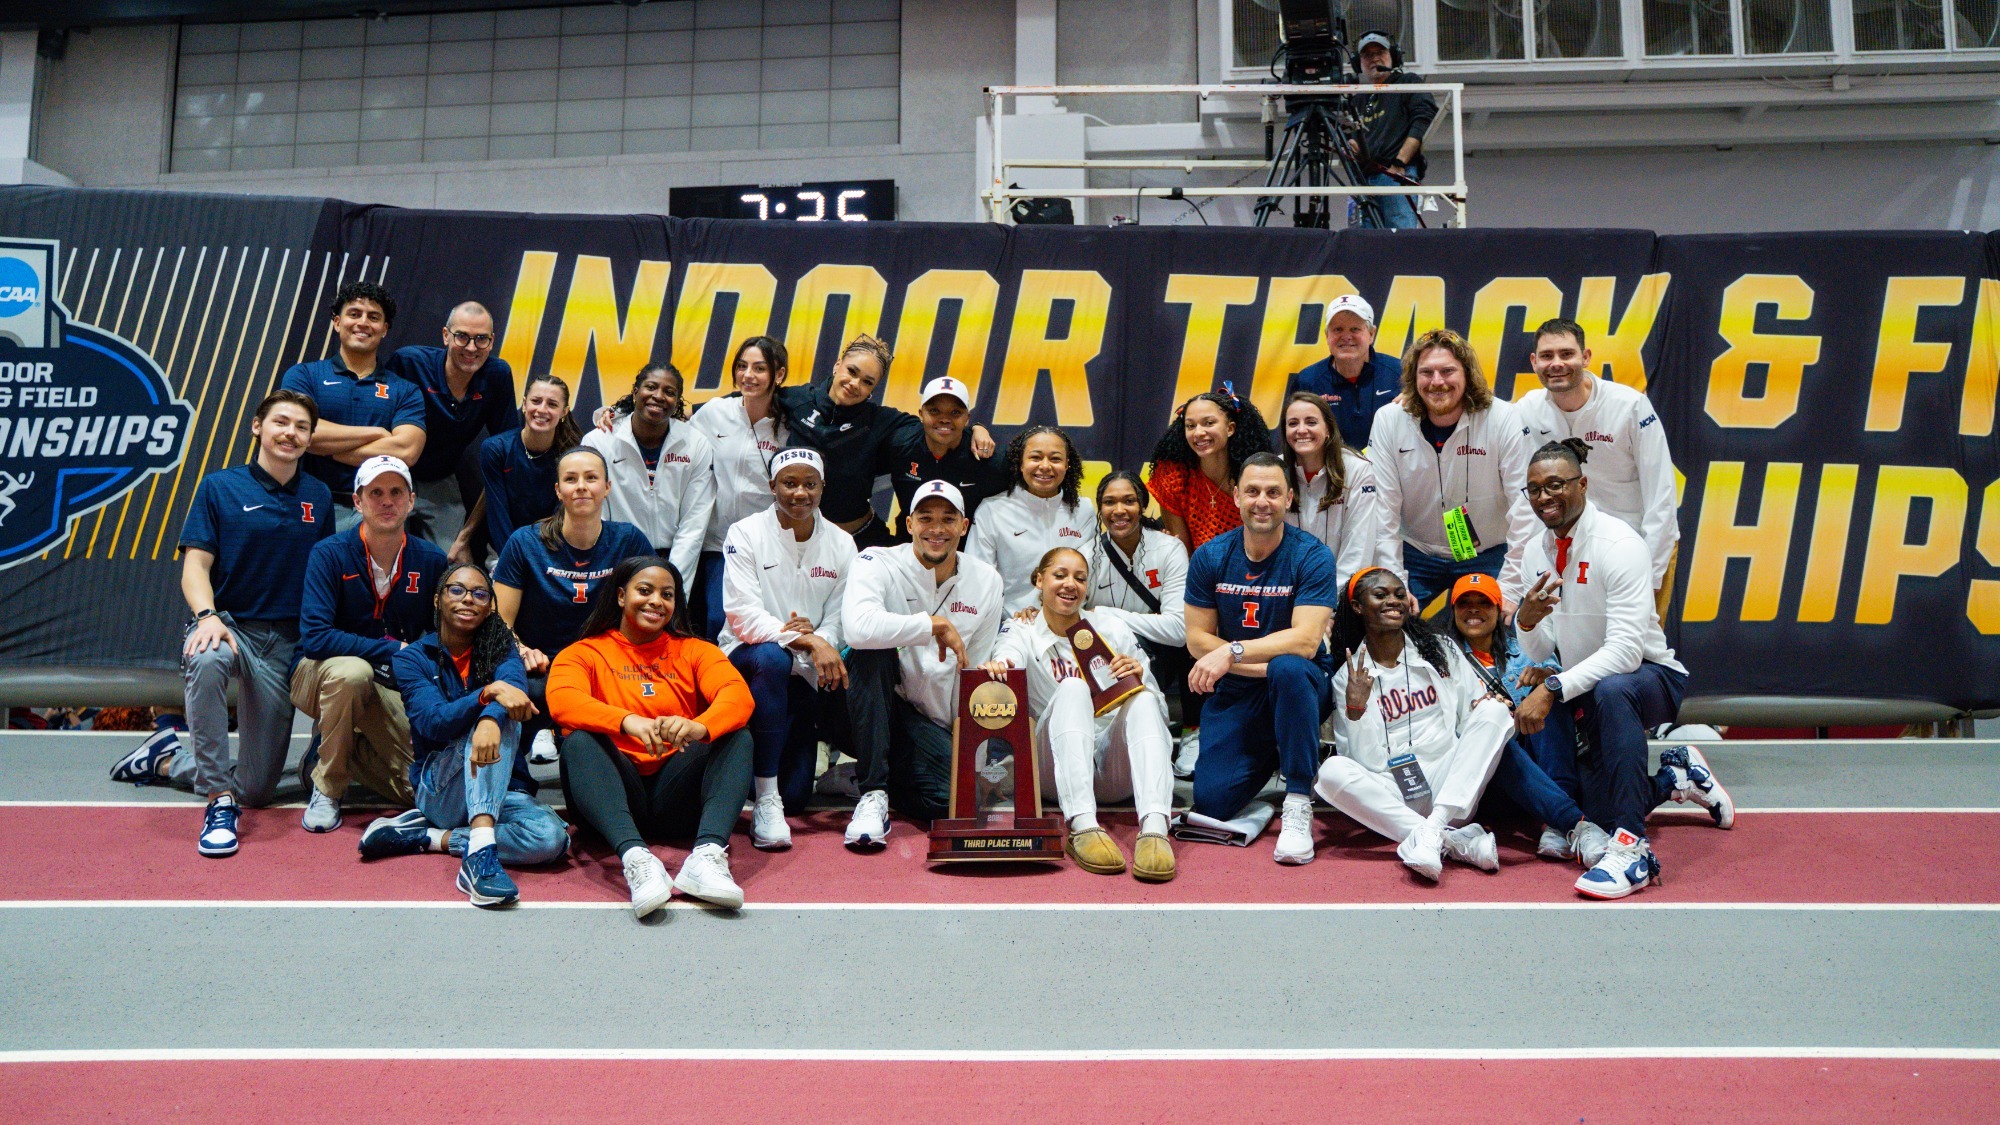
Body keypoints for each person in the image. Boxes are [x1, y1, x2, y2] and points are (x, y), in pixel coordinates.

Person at [108, 390, 334, 857]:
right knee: (207, 658)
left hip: (284, 641)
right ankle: (218, 801)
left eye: (301, 427)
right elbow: (195, 567)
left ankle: (169, 760)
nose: (290, 433)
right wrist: (207, 617)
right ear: (258, 427)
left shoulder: (318, 497)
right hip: (229, 624)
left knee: (258, 789)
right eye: (281, 423)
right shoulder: (219, 487)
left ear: (311, 439)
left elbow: (324, 573)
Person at [1514, 439, 1733, 900]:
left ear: (1583, 484)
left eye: (1555, 484)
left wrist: (1555, 685)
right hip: (1588, 685)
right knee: (1597, 810)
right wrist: (1527, 621)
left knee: (1615, 689)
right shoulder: (1537, 549)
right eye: (1532, 489)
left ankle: (1633, 851)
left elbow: (1627, 652)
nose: (1543, 497)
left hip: (1650, 678)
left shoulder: (1619, 543)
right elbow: (1542, 646)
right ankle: (1676, 777)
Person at [549, 557, 755, 916]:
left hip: (675, 799)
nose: (656, 601)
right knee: (578, 741)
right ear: (619, 596)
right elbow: (563, 702)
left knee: (736, 734)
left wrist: (699, 726)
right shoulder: (583, 653)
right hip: (611, 800)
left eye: (667, 594)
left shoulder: (695, 650)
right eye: (644, 591)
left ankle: (706, 857)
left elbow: (738, 696)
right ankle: (636, 860)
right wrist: (626, 721)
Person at [374, 563, 571, 907]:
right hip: (442, 790)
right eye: (457, 590)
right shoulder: (413, 659)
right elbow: (433, 722)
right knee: (504, 713)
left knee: (551, 839)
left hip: (501, 789)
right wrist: (487, 697)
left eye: (480, 594)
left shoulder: (502, 650)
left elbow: (511, 686)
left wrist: (490, 712)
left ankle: (433, 838)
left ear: (491, 607)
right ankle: (478, 859)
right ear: (438, 599)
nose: (468, 599)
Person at [982, 547, 1176, 882]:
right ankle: (1083, 825)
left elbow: (1157, 709)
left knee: (1144, 698)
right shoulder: (1021, 629)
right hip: (1053, 772)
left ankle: (1155, 829)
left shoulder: (1111, 628)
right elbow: (1008, 655)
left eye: (1080, 578)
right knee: (1072, 687)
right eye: (1060, 575)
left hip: (1112, 770)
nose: (1070, 584)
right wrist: (1001, 666)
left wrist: (1136, 678)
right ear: (1039, 580)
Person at [1183, 452, 1338, 866]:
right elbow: (1196, 639)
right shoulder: (1211, 556)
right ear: (1236, 496)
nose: (1262, 501)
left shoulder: (1312, 555)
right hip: (1239, 688)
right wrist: (1241, 665)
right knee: (1211, 803)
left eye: (1272, 492)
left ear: (1289, 498)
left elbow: (1305, 642)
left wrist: (1230, 651)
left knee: (1288, 669)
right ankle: (1285, 746)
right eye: (1252, 491)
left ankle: (1298, 797)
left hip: (1298, 683)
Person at [1314, 567, 1511, 882]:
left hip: (1449, 781)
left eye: (1398, 594)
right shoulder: (1347, 676)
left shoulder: (1440, 650)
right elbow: (1365, 762)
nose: (1393, 601)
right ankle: (1449, 841)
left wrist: (1485, 711)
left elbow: (1473, 712)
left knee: (1495, 712)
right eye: (1380, 595)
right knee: (1331, 772)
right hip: (1390, 789)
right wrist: (1356, 708)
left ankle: (1436, 826)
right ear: (1357, 607)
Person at [840, 480, 1005, 845]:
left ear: (963, 527)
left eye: (948, 519)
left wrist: (964, 747)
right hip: (862, 705)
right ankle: (872, 793)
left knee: (953, 800)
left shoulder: (987, 581)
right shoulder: (875, 560)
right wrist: (931, 625)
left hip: (925, 721)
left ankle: (863, 776)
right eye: (925, 518)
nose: (936, 529)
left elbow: (973, 667)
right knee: (872, 650)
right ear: (909, 523)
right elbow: (858, 629)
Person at [291, 454, 439, 832]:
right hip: (321, 673)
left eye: (395, 492)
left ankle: (340, 748)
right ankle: (328, 787)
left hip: (391, 680)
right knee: (353, 673)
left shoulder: (432, 560)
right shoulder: (329, 553)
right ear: (357, 502)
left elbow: (441, 635)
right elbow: (316, 637)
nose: (386, 501)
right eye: (375, 492)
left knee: (419, 791)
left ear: (411, 500)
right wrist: (392, 649)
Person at [720, 448, 856, 850]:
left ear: (822, 487)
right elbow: (742, 616)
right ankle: (765, 796)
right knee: (770, 656)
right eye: (789, 483)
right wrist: (801, 637)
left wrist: (820, 636)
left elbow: (843, 617)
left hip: (806, 670)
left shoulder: (842, 543)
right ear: (772, 486)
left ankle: (767, 780)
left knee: (798, 798)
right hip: (749, 661)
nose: (800, 493)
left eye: (809, 484)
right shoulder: (744, 533)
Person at [491, 447, 653, 764]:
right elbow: (500, 622)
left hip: (606, 662)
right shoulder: (524, 542)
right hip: (541, 664)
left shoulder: (629, 540)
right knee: (525, 685)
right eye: (571, 479)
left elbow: (653, 612)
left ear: (607, 487)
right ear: (558, 490)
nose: (581, 486)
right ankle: (536, 745)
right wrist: (521, 649)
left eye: (591, 478)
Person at [1442, 571, 1605, 867]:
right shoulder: (1439, 659)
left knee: (1546, 695)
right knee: (1494, 739)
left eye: (1484, 603)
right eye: (1465, 603)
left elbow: (1562, 681)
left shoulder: (1525, 648)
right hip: (1485, 776)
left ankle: (1558, 822)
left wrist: (1547, 679)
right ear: (1452, 611)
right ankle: (1571, 822)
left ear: (1498, 609)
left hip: (1538, 765)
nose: (1474, 610)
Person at [1370, 327, 1537, 610]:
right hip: (1415, 552)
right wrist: (1395, 585)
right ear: (1413, 377)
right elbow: (1382, 510)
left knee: (1507, 639)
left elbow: (1525, 508)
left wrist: (1509, 588)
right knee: (1382, 624)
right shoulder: (1389, 420)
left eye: (1447, 371)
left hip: (1488, 554)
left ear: (1467, 374)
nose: (1437, 382)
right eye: (1426, 372)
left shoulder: (1503, 418)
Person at [1514, 318, 1679, 604]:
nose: (1556, 363)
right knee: (1574, 645)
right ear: (1534, 362)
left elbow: (1661, 497)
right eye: (1546, 356)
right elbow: (1482, 416)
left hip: (1635, 545)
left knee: (1640, 647)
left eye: (1566, 354)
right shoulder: (1527, 409)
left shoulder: (1630, 406)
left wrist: (1649, 575)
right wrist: (1412, 402)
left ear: (1586, 357)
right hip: (1568, 549)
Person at [775, 334, 993, 549]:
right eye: (852, 371)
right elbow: (747, 404)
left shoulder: (882, 421)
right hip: (796, 541)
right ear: (838, 364)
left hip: (858, 539)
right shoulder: (798, 399)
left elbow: (937, 425)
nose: (854, 384)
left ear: (873, 388)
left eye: (867, 382)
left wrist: (977, 428)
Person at [279, 281, 426, 529]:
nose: (363, 323)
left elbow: (406, 450)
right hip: (305, 502)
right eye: (354, 314)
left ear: (385, 329)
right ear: (337, 322)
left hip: (376, 512)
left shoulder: (405, 390)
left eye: (373, 317)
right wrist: (376, 433)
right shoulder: (304, 375)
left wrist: (329, 449)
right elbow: (300, 432)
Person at [383, 301, 520, 557]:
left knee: (453, 566)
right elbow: (377, 418)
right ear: (446, 336)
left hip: (441, 481)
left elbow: (507, 455)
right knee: (381, 557)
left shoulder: (497, 375)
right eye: (462, 337)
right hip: (395, 475)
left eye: (481, 339)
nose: (471, 348)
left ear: (491, 342)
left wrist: (465, 537)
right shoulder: (409, 362)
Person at [1083, 471, 1197, 778]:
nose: (1119, 510)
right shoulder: (1087, 554)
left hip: (1163, 655)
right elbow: (1074, 618)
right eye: (1109, 502)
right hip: (1109, 658)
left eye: (1129, 501)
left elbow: (1179, 630)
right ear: (1100, 509)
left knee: (1199, 640)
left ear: (1143, 505)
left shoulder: (1169, 549)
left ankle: (1192, 733)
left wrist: (1107, 613)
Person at [689, 336, 790, 641]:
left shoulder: (789, 425)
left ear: (779, 375)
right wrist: (611, 415)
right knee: (715, 621)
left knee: (759, 628)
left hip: (767, 547)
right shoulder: (714, 412)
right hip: (716, 545)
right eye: (742, 366)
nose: (748, 375)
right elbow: (674, 438)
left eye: (760, 368)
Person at [583, 363, 715, 590]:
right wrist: (613, 576)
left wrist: (672, 587)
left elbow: (694, 524)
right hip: (618, 561)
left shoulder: (696, 444)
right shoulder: (599, 441)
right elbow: (597, 516)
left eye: (669, 392)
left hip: (674, 561)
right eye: (651, 387)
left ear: (678, 402)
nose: (658, 396)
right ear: (635, 392)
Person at [966, 425, 1096, 612]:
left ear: (1067, 464)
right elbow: (977, 580)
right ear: (1020, 463)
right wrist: (1009, 620)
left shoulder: (1083, 510)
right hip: (1010, 624)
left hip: (1069, 623)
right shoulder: (992, 510)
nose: (1045, 466)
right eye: (1035, 457)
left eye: (1055, 459)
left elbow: (1088, 575)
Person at [1278, 389, 1391, 591]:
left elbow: (1359, 545)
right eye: (1293, 423)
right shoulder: (1275, 471)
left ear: (1328, 429)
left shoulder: (1357, 469)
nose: (1301, 430)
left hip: (1341, 591)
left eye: (1311, 422)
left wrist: (1331, 601)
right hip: (1288, 590)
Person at [884, 375, 1012, 539]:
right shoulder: (899, 446)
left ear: (967, 418)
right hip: (909, 548)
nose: (944, 419)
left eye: (955, 412)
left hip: (969, 553)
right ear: (920, 413)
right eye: (934, 411)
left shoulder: (991, 461)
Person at [1147, 388, 1272, 553]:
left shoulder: (1256, 476)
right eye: (1190, 426)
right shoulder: (1173, 477)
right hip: (1196, 572)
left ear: (1230, 428)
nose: (1198, 432)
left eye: (1209, 423)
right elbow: (1182, 553)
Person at [478, 372, 581, 561]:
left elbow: (561, 517)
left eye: (552, 404)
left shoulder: (572, 455)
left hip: (553, 551)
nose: (542, 409)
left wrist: (542, 560)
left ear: (564, 412)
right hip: (504, 551)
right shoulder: (496, 448)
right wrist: (514, 559)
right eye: (536, 401)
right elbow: (498, 515)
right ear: (524, 404)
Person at [1288, 295, 1402, 451]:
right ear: (1327, 335)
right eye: (1338, 329)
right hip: (1332, 472)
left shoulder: (1400, 373)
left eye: (1355, 329)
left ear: (1371, 334)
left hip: (1390, 472)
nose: (1347, 337)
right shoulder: (1308, 381)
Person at [1350, 31, 1436, 230]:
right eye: (1367, 55)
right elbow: (1353, 143)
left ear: (1393, 56)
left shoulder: (1408, 82)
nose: (1375, 58)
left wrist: (1398, 164)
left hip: (1397, 174)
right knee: (1362, 247)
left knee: (1399, 241)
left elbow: (1422, 121)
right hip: (1363, 181)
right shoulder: (1358, 98)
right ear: (1359, 63)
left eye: (1380, 52)